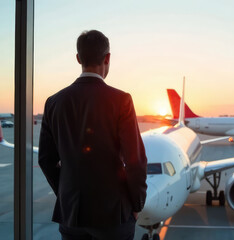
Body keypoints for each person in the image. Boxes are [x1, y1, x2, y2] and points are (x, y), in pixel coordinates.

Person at [38, 30, 147, 240]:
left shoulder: (54, 102)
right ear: (107, 58)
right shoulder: (121, 100)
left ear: (78, 59)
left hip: (72, 215)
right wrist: (136, 204)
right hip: (114, 214)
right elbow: (135, 161)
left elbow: (46, 160)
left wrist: (67, 195)